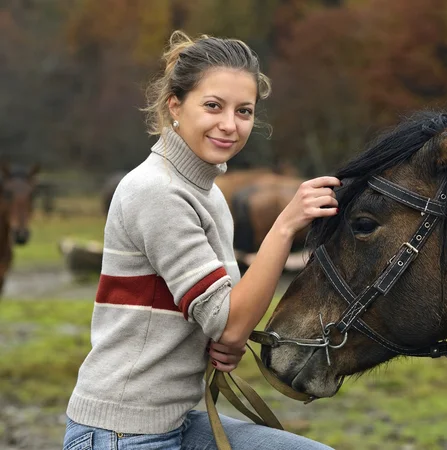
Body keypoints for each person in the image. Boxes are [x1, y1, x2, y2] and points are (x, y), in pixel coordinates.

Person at [63, 30, 339, 450]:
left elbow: (222, 316)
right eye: (213, 106)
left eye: (243, 111)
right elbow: (230, 323)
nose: (230, 125)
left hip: (176, 418)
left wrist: (216, 341)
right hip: (123, 431)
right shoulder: (157, 192)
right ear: (175, 105)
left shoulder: (206, 193)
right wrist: (285, 226)